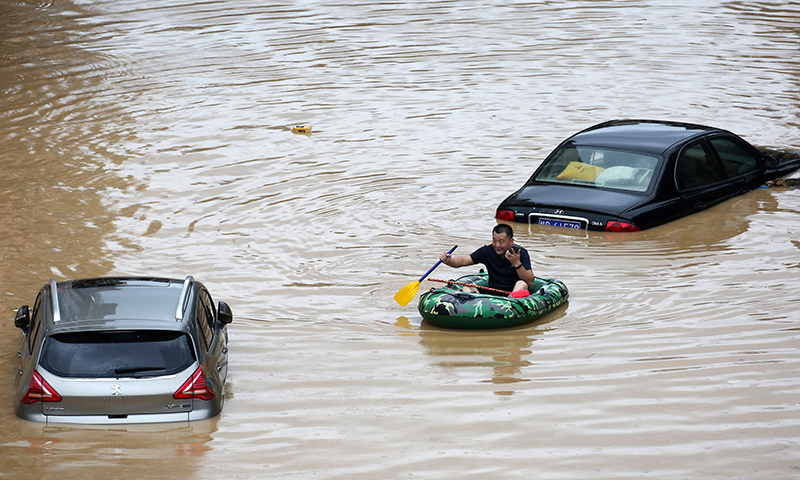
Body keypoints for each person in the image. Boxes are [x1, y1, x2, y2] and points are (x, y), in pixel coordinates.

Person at [439, 224, 534, 295]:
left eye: (501, 242)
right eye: (494, 240)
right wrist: (449, 261)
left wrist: (516, 262)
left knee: (521, 284)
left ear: (511, 241)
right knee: (467, 288)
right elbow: (464, 260)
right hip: (493, 291)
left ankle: (509, 306)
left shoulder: (521, 253)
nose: (497, 245)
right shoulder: (487, 251)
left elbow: (529, 281)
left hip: (512, 294)